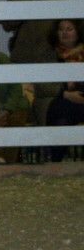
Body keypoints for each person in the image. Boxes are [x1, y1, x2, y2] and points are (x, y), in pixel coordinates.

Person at [42, 19, 84, 159]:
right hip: (58, 100)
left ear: (78, 33)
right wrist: (66, 94)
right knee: (62, 111)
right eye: (61, 29)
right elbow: (41, 86)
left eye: (69, 29)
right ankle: (57, 160)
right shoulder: (48, 55)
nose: (64, 32)